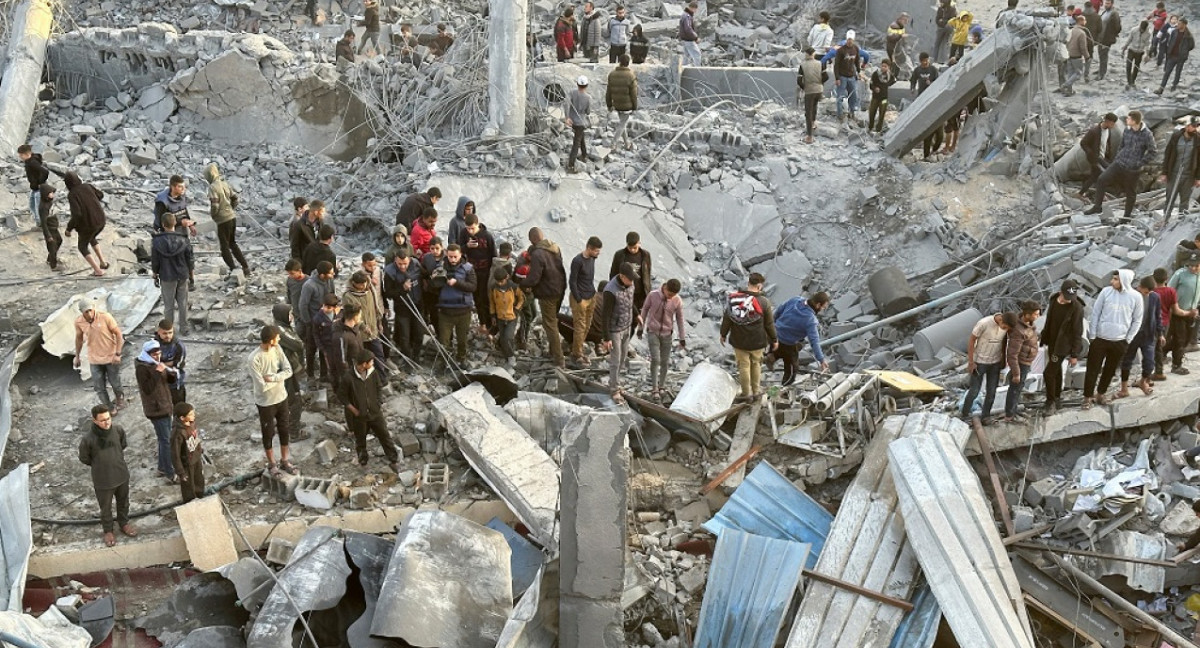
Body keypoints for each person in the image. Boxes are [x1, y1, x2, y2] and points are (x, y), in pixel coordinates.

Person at [1083, 270, 1143, 409]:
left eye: (1115, 279)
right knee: (1092, 369)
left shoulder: (1136, 297)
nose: (1112, 282)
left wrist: (1128, 339)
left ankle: (1101, 394)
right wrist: (1092, 335)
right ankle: (1087, 397)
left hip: (1120, 341)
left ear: (1124, 280)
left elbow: (1137, 320)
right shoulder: (1105, 292)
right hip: (1100, 338)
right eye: (1113, 279)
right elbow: (1096, 313)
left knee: (1110, 370)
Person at [79, 405, 136, 547]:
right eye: (103, 420)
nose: (107, 422)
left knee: (123, 502)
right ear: (94, 421)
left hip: (121, 474)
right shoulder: (88, 439)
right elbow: (84, 458)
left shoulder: (118, 430)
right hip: (103, 480)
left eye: (108, 418)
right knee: (105, 507)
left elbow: (122, 445)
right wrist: (100, 465)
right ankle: (108, 531)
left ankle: (124, 523)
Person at [1085, 111, 1156, 221]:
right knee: (1101, 179)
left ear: (1134, 121)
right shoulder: (1127, 130)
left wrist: (1139, 163)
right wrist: (1118, 157)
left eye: (1128, 119)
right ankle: (1097, 207)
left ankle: (1126, 217)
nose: (1126, 120)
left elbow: (1153, 152)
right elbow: (1122, 145)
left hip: (1133, 168)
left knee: (1130, 192)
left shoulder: (1147, 134)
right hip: (1119, 163)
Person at [338, 349, 401, 470]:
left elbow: (378, 388)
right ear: (363, 364)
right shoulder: (348, 378)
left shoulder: (373, 373)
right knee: (360, 441)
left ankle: (393, 460)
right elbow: (342, 396)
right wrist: (354, 410)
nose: (372, 363)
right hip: (359, 417)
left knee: (385, 436)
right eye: (371, 361)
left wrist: (378, 403)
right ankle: (363, 463)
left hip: (375, 413)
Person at [249, 325, 297, 476]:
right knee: (268, 432)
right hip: (266, 402)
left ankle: (284, 460)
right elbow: (261, 386)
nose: (280, 339)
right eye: (277, 337)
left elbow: (288, 370)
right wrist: (278, 378)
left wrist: (274, 378)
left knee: (284, 429)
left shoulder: (277, 349)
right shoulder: (254, 358)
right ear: (271, 340)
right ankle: (272, 463)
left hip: (281, 397)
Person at [720, 274, 776, 401]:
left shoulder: (734, 299)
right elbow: (769, 324)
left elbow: (727, 318)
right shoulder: (764, 302)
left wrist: (723, 334)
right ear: (759, 286)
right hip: (757, 341)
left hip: (739, 340)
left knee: (743, 366)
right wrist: (774, 339)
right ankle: (756, 392)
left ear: (748, 283)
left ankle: (746, 394)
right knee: (756, 365)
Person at [520, 227, 568, 367]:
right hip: (560, 288)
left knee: (549, 324)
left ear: (533, 239)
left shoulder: (538, 254)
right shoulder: (555, 247)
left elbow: (534, 278)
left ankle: (559, 359)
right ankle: (553, 352)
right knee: (553, 320)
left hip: (547, 293)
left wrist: (522, 283)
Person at [135, 339, 179, 483]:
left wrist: (171, 374)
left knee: (163, 439)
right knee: (166, 441)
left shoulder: (156, 364)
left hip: (165, 406)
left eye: (158, 352)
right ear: (147, 354)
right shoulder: (142, 367)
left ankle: (161, 467)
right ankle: (169, 472)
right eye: (154, 354)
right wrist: (157, 372)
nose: (157, 355)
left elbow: (167, 381)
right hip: (156, 410)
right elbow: (147, 389)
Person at [1041, 280, 1084, 413]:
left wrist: (1074, 354)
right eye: (1066, 298)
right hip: (1052, 341)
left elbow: (1078, 331)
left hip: (1063, 346)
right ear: (1061, 293)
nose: (1069, 300)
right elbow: (1049, 320)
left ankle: (1050, 402)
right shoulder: (1053, 300)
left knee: (1048, 373)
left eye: (1071, 298)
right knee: (1056, 371)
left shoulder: (1076, 307)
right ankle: (1057, 398)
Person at [638, 279, 686, 398]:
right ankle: (654, 388)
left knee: (665, 361)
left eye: (673, 295)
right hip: (653, 331)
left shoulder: (677, 300)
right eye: (669, 294)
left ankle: (662, 386)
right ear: (665, 288)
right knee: (656, 359)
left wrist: (682, 337)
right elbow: (644, 310)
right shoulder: (653, 295)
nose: (671, 297)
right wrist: (640, 327)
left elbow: (680, 319)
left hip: (667, 334)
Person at [74, 299, 125, 411]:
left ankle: (119, 399)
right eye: (85, 312)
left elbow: (119, 335)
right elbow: (79, 339)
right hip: (94, 359)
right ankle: (109, 407)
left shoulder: (105, 317)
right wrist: (77, 356)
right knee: (99, 387)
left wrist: (117, 353)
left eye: (90, 310)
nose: (89, 314)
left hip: (110, 357)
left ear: (93, 308)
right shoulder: (79, 322)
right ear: (81, 312)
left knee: (115, 382)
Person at [961, 312, 1013, 421]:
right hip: (979, 362)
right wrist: (971, 362)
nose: (1005, 329)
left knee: (991, 391)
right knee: (974, 391)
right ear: (1001, 320)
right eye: (1005, 327)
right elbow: (971, 341)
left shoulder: (1006, 326)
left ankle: (986, 416)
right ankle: (964, 414)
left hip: (995, 363)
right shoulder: (984, 323)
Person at [1117, 275, 1162, 398]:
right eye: (1146, 291)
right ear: (1140, 287)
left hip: (1148, 334)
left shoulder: (1154, 297)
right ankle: (1124, 389)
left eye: (1150, 292)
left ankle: (1143, 382)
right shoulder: (1129, 296)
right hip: (1131, 335)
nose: (1148, 294)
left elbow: (1158, 316)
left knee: (1149, 362)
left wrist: (1161, 334)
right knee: (1126, 361)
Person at [772, 293, 829, 387]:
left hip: (775, 335)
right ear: (818, 305)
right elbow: (814, 342)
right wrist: (821, 360)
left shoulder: (795, 300)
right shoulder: (810, 320)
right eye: (823, 307)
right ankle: (784, 389)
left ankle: (772, 356)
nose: (822, 310)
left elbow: (779, 310)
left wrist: (774, 326)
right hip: (787, 343)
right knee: (792, 369)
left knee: (800, 343)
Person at [204, 163, 250, 278]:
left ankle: (233, 269)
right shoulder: (225, 184)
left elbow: (215, 205)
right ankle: (245, 267)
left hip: (222, 220)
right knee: (233, 243)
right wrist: (231, 209)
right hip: (232, 217)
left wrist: (214, 215)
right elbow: (235, 198)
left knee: (224, 246)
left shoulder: (212, 187)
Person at [601, 263, 641, 398]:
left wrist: (637, 314)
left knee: (623, 357)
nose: (632, 281)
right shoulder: (610, 292)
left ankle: (617, 383)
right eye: (630, 279)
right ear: (622, 277)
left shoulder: (630, 284)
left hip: (627, 325)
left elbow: (630, 302)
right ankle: (613, 389)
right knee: (616, 360)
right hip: (615, 330)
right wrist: (606, 338)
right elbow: (605, 316)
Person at [151, 213, 194, 333]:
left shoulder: (156, 241)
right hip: (182, 274)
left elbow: (155, 261)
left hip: (166, 276)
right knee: (183, 303)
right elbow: (190, 260)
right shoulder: (184, 239)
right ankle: (184, 328)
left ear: (163, 224)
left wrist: (155, 274)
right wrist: (191, 276)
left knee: (168, 306)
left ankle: (169, 330)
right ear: (175, 223)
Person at [436, 244, 477, 366]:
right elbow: (433, 289)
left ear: (460, 255)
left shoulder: (468, 268)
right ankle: (445, 362)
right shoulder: (440, 267)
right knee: (444, 341)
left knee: (462, 340)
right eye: (450, 257)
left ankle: (462, 358)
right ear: (446, 255)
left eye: (455, 257)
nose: (452, 260)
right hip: (445, 311)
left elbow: (473, 287)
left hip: (463, 311)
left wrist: (457, 283)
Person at [63, 171, 110, 276]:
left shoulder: (72, 195)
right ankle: (103, 263)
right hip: (101, 220)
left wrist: (69, 228)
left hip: (89, 224)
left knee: (82, 246)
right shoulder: (87, 186)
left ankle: (98, 271)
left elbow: (77, 214)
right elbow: (101, 195)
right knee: (91, 237)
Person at [298, 261, 336, 384]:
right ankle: (310, 375)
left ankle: (324, 375)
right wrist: (308, 322)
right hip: (313, 322)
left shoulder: (330, 280)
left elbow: (333, 295)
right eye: (330, 273)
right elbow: (303, 305)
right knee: (311, 349)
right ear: (322, 275)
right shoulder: (309, 285)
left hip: (327, 320)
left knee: (324, 347)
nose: (333, 274)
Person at [1003, 301, 1041, 423]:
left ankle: (1014, 410)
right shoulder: (1018, 331)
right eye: (1036, 314)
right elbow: (1012, 354)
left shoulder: (1029, 324)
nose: (1038, 316)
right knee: (1015, 389)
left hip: (1026, 361)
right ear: (1028, 315)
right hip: (1020, 363)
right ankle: (1009, 415)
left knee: (1018, 388)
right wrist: (1016, 373)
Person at [384, 249, 425, 360]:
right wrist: (402, 288)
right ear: (395, 261)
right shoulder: (389, 272)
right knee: (404, 337)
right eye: (399, 264)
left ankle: (416, 356)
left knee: (419, 334)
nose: (402, 267)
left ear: (410, 260)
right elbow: (388, 293)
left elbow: (424, 277)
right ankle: (407, 359)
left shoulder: (416, 264)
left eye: (405, 264)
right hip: (402, 308)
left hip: (418, 305)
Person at [272, 304, 308, 432]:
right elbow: (298, 345)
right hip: (285, 371)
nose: (292, 317)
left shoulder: (282, 327)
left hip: (285, 369)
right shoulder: (280, 331)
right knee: (294, 400)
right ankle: (293, 431)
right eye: (289, 314)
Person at [459, 212, 497, 332]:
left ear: (478, 225)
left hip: (485, 271)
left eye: (472, 228)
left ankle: (490, 325)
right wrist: (466, 246)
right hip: (471, 270)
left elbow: (494, 255)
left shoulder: (487, 236)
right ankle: (482, 323)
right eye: (468, 228)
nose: (470, 231)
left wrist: (493, 272)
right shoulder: (463, 233)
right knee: (476, 297)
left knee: (485, 297)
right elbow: (458, 250)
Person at [569, 236, 603, 366]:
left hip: (591, 296)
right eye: (596, 251)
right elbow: (572, 281)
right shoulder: (578, 261)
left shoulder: (592, 259)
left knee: (587, 325)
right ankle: (576, 355)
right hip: (580, 298)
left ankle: (578, 349)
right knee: (580, 326)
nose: (597, 254)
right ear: (589, 248)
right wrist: (579, 299)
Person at [1162, 117, 1200, 224]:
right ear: (1186, 126)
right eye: (1193, 126)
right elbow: (1167, 154)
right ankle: (1165, 219)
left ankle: (1180, 221)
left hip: (1188, 176)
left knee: (1184, 201)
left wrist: (1198, 178)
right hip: (1173, 174)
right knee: (1169, 198)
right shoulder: (1176, 136)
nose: (1195, 129)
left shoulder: (1198, 140)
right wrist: (1164, 172)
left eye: (1196, 126)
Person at [1168, 257, 1200, 374]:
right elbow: (1170, 290)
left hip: (1192, 313)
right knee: (1180, 339)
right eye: (1191, 265)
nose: (1193, 268)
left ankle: (1162, 352)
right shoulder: (1180, 274)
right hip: (1178, 312)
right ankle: (1176, 365)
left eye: (1196, 266)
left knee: (1186, 339)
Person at [491, 266, 524, 369]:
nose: (500, 283)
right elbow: (492, 303)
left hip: (511, 317)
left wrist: (517, 309)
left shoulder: (513, 287)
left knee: (507, 337)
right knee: (503, 337)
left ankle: (511, 356)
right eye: (498, 281)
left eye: (501, 281)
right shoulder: (494, 288)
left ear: (507, 277)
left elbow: (521, 299)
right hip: (500, 317)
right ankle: (507, 352)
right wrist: (493, 315)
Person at [170, 402, 205, 503]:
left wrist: (199, 450)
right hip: (187, 464)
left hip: (196, 459)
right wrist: (180, 472)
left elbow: (195, 438)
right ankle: (190, 503)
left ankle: (200, 498)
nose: (193, 416)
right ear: (182, 418)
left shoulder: (192, 424)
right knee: (188, 487)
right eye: (190, 414)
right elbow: (175, 454)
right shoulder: (177, 433)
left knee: (199, 481)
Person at [610, 231, 652, 313]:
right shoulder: (619, 255)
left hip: (640, 294)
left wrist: (647, 290)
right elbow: (613, 273)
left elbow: (647, 273)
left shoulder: (646, 255)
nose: (632, 250)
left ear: (639, 243)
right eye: (630, 247)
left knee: (638, 318)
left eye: (635, 247)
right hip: (624, 292)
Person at [1079, 113, 1118, 199]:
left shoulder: (1108, 130)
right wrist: (1090, 153)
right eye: (1112, 123)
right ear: (1107, 121)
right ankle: (1098, 194)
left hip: (1102, 157)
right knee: (1104, 175)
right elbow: (1083, 143)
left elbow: (1107, 144)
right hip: (1095, 158)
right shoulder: (1094, 131)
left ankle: (1081, 193)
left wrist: (1109, 156)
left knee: (1094, 176)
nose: (1113, 125)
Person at [911, 53, 942, 158]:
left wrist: (931, 82)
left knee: (940, 135)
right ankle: (926, 154)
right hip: (922, 98)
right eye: (923, 61)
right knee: (927, 130)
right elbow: (913, 79)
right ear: (920, 61)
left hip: (933, 98)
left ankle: (934, 150)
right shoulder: (917, 70)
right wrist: (912, 88)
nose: (926, 62)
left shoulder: (933, 70)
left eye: (927, 60)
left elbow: (939, 82)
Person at [606, 55, 638, 151]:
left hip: (616, 104)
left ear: (619, 62)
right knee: (622, 124)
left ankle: (627, 143)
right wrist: (635, 106)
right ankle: (613, 143)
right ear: (628, 63)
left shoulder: (612, 74)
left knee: (622, 124)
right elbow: (634, 94)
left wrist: (609, 105)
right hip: (627, 105)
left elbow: (608, 92)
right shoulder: (631, 75)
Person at [1152, 266, 1179, 380]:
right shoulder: (1171, 291)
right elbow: (1173, 309)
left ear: (1154, 278)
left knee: (1153, 347)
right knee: (1159, 347)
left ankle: (1157, 371)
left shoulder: (1152, 292)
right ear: (1166, 279)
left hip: (1152, 323)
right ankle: (1158, 370)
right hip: (1165, 322)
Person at [1156, 17, 1193, 94]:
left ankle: (1174, 86)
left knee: (1178, 73)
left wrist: (1184, 52)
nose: (1178, 25)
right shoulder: (1174, 32)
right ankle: (1161, 88)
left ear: (1184, 25)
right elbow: (1170, 41)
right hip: (1172, 56)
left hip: (1181, 58)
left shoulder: (1188, 36)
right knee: (1167, 72)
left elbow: (1191, 46)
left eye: (1179, 24)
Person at [833, 30, 863, 123]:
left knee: (853, 96)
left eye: (851, 40)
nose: (850, 41)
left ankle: (852, 113)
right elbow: (836, 65)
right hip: (842, 76)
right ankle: (840, 115)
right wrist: (837, 78)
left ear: (853, 40)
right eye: (848, 39)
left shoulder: (856, 49)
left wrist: (859, 72)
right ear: (846, 39)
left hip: (852, 76)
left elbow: (857, 61)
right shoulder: (841, 50)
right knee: (840, 97)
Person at [155, 319, 188, 405]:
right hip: (159, 382)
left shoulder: (178, 346)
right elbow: (148, 361)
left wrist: (162, 365)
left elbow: (180, 363)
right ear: (159, 332)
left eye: (170, 333)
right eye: (165, 333)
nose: (168, 336)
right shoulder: (153, 344)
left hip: (175, 383)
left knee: (179, 407)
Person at [313, 294, 342, 386]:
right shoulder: (318, 318)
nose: (325, 309)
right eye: (324, 306)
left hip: (338, 345)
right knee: (331, 366)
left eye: (328, 307)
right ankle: (334, 384)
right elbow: (316, 334)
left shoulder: (340, 315)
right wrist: (322, 348)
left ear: (334, 307)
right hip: (327, 346)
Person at [334, 304, 366, 387]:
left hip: (360, 368)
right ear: (354, 316)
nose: (360, 317)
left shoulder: (355, 329)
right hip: (351, 372)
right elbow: (341, 360)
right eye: (359, 315)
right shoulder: (341, 336)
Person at [797, 48, 824, 144]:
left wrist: (804, 87)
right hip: (819, 90)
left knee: (808, 112)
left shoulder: (803, 65)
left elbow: (799, 80)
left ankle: (809, 136)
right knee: (815, 105)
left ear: (807, 54)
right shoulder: (820, 63)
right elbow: (826, 76)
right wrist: (820, 84)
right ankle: (813, 123)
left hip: (809, 90)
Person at [1059, 13, 1091, 96]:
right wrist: (1087, 56)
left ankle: (1069, 92)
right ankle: (1065, 85)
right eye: (1085, 20)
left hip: (1069, 55)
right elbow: (1083, 48)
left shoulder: (1071, 30)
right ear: (1081, 21)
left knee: (1070, 74)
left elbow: (1066, 42)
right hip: (1077, 57)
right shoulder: (1082, 33)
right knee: (1078, 74)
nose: (1086, 22)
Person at [420, 237, 446, 334]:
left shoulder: (447, 258)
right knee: (434, 314)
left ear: (442, 247)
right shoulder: (427, 258)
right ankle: (438, 334)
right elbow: (422, 272)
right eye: (432, 249)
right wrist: (425, 282)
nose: (435, 251)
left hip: (444, 291)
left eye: (437, 248)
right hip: (431, 291)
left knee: (445, 315)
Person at [566, 76, 592, 174]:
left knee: (580, 138)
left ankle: (584, 155)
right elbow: (588, 112)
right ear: (587, 85)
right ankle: (571, 165)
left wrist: (567, 117)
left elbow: (566, 104)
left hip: (572, 121)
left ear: (577, 84)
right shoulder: (588, 97)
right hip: (581, 122)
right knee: (576, 144)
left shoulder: (572, 92)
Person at [18, 144, 49, 224]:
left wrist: (40, 183)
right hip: (34, 187)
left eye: (21, 155)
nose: (20, 157)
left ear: (27, 154)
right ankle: (39, 223)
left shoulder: (33, 162)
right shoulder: (29, 161)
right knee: (32, 206)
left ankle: (41, 225)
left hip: (39, 188)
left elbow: (45, 172)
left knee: (38, 208)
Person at [36, 183, 62, 269]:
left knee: (59, 241)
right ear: (46, 194)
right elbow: (43, 223)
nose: (53, 194)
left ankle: (49, 259)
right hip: (49, 229)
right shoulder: (43, 207)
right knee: (52, 247)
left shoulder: (49, 202)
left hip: (54, 227)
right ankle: (53, 266)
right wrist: (48, 236)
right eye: (51, 193)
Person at [1095, 0, 1122, 80]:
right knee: (1100, 54)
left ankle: (1102, 73)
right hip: (1101, 37)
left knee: (1103, 55)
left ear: (1112, 4)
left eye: (1107, 3)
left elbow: (1118, 28)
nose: (1105, 5)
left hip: (1106, 39)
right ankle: (1101, 69)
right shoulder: (1104, 12)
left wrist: (1111, 35)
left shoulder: (1114, 14)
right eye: (1105, 3)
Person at [868, 59, 896, 134]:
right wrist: (874, 88)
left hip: (884, 98)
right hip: (875, 97)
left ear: (888, 67)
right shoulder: (875, 74)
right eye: (882, 66)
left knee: (882, 114)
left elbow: (893, 83)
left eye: (885, 66)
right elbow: (871, 85)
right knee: (872, 112)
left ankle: (878, 130)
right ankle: (870, 127)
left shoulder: (890, 76)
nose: (883, 68)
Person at [1122, 19, 1152, 88]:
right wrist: (1124, 48)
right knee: (1128, 66)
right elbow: (1129, 39)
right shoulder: (1134, 30)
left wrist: (1147, 54)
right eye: (1141, 29)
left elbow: (1147, 44)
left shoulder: (1148, 33)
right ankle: (1129, 81)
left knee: (1136, 67)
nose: (1141, 31)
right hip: (1131, 50)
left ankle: (1133, 81)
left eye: (1143, 30)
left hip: (1140, 52)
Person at [285, 259, 307, 334]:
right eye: (289, 274)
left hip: (307, 315)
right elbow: (289, 295)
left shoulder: (309, 282)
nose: (290, 276)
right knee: (299, 332)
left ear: (300, 271)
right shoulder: (290, 280)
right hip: (296, 314)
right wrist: (289, 310)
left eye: (292, 273)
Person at [885, 13, 910, 78]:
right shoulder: (893, 26)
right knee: (894, 64)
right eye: (905, 20)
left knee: (900, 62)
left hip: (898, 48)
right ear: (900, 19)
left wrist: (906, 45)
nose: (906, 22)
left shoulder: (902, 27)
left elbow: (903, 39)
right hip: (892, 48)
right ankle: (890, 77)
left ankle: (895, 76)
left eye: (907, 20)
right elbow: (890, 38)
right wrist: (900, 36)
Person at [679, 1, 700, 66]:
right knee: (697, 55)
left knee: (686, 57)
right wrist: (696, 37)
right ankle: (698, 71)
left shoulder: (684, 14)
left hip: (685, 40)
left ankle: (683, 72)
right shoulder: (687, 16)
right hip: (689, 40)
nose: (696, 11)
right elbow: (688, 29)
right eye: (696, 9)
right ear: (693, 8)